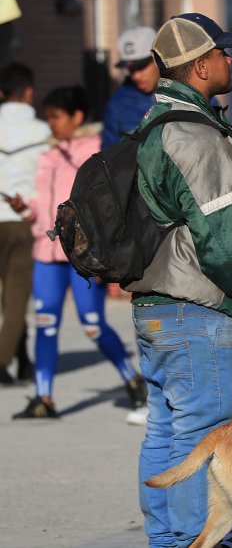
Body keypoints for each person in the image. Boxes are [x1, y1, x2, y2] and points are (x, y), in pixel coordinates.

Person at [131, 13, 232, 548]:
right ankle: (195, 540)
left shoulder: (153, 123)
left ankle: (168, 541)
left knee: (165, 432)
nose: (229, 59)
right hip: (194, 308)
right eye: (222, 52)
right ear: (200, 66)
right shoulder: (196, 137)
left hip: (153, 304)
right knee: (203, 437)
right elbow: (226, 242)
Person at [5, 86, 147, 422]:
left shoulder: (96, 151)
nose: (50, 123)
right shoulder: (47, 155)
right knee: (45, 322)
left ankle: (132, 379)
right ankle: (44, 397)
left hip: (82, 253)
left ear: (77, 117)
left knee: (92, 324)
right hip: (46, 252)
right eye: (48, 116)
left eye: (56, 116)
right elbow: (42, 205)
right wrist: (25, 207)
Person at [0, 62, 45, 386]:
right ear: (28, 92)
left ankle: (24, 360)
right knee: (16, 297)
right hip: (21, 221)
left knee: (6, 298)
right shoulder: (43, 132)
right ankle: (3, 362)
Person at [102, 26, 160, 149]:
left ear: (159, 59)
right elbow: (108, 154)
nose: (136, 76)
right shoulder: (118, 102)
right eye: (131, 69)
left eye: (141, 66)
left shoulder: (188, 91)